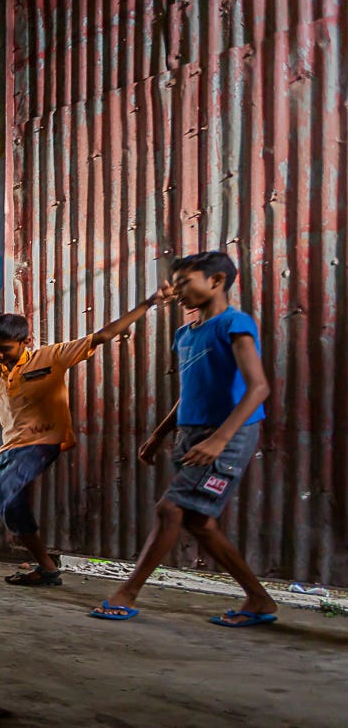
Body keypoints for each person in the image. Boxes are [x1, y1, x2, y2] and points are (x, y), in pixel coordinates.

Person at [0, 284, 172, 586]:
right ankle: (47, 569)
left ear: (26, 341)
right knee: (15, 511)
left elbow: (103, 336)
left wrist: (149, 301)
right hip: (12, 449)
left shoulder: (52, 357)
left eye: (6, 348)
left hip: (42, 445)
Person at [91, 253, 276, 626]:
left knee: (170, 509)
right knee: (200, 521)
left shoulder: (234, 323)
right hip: (192, 434)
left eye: (184, 282)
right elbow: (191, 391)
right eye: (174, 284)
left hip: (229, 434)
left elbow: (258, 388)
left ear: (217, 280)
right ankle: (258, 599)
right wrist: (160, 434)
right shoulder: (185, 334)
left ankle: (127, 592)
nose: (177, 292)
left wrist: (220, 440)